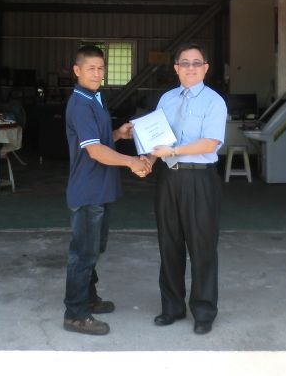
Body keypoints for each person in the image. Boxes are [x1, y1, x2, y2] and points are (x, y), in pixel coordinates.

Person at [63, 44, 150, 336]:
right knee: (83, 254)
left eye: (101, 68)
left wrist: (117, 134)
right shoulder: (80, 104)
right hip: (88, 189)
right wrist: (132, 161)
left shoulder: (95, 99)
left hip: (100, 188)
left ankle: (88, 298)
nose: (97, 73)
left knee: (93, 249)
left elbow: (97, 140)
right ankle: (75, 314)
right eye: (91, 68)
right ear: (77, 70)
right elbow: (95, 151)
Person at [148, 43, 227, 335]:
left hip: (199, 179)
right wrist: (147, 158)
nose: (190, 68)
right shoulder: (166, 99)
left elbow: (210, 143)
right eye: (185, 63)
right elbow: (155, 138)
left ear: (205, 68)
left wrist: (173, 151)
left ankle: (204, 311)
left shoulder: (214, 102)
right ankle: (172, 307)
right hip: (169, 179)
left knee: (202, 247)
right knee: (169, 244)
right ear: (176, 68)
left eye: (196, 63)